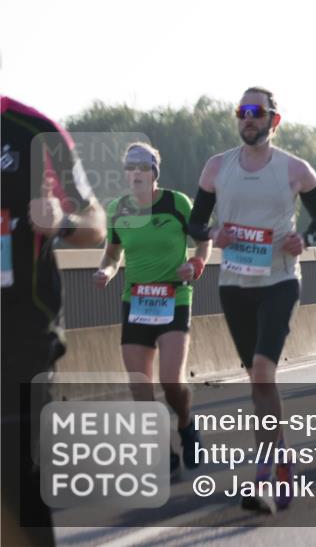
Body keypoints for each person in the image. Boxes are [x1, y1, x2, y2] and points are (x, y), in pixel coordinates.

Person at [188, 87, 316, 512]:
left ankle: (262, 478)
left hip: (280, 281)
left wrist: (302, 239)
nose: (248, 119)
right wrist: (214, 234)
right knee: (257, 379)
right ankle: (283, 455)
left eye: (256, 112)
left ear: (274, 120)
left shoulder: (294, 170)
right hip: (234, 284)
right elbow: (196, 221)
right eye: (242, 112)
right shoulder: (217, 168)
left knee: (264, 372)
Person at [2, 96, 105, 547]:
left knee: (16, 471)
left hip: (22, 330)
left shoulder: (33, 130)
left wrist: (62, 221)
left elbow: (95, 222)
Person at [93, 142, 210, 473]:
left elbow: (204, 238)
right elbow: (113, 253)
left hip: (174, 297)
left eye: (142, 168)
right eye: (129, 168)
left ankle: (186, 425)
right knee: (139, 385)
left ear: (154, 173)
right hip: (136, 301)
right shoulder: (118, 208)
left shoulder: (177, 204)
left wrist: (197, 262)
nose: (135, 174)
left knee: (171, 381)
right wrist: (105, 270)